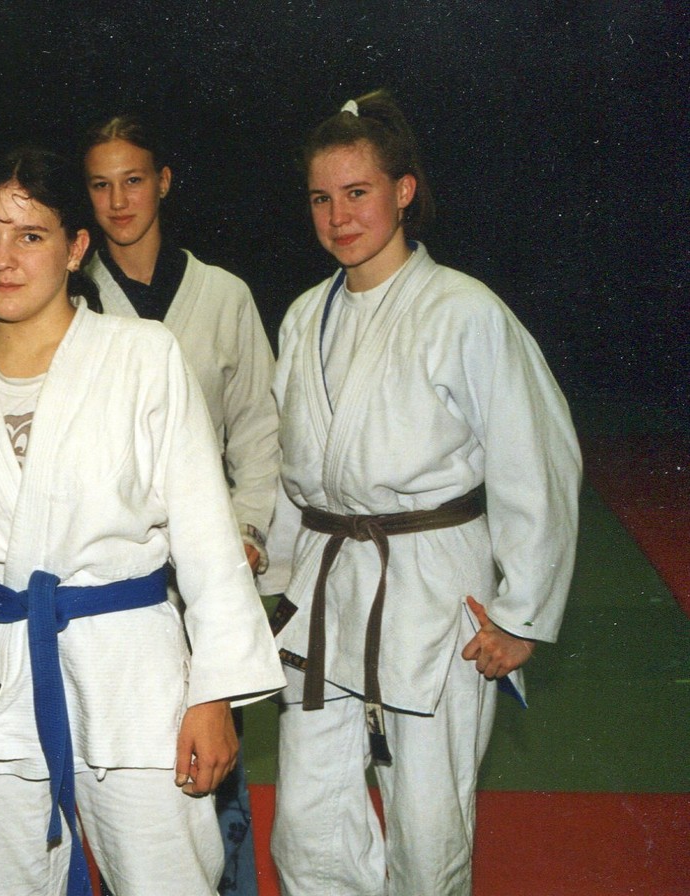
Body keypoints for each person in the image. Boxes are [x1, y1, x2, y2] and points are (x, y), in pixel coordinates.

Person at [0, 146, 285, 896]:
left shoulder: (142, 356)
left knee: (167, 880)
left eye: (29, 235)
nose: (2, 259)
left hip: (130, 670)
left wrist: (216, 692)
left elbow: (205, 534)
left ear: (75, 248)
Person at [267, 89, 581, 896]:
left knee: (429, 820)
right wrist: (273, 587)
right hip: (327, 585)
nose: (338, 216)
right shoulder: (304, 317)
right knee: (307, 821)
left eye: (358, 193)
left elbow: (536, 461)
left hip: (438, 588)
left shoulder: (465, 312)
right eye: (321, 198)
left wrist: (522, 614)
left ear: (403, 191)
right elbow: (294, 474)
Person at [82, 115, 280, 896]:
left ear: (163, 181)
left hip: (204, 574)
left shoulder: (223, 295)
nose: (118, 200)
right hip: (114, 584)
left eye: (133, 179)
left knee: (215, 775)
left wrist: (247, 530)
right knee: (116, 783)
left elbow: (260, 431)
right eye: (100, 184)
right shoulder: (72, 301)